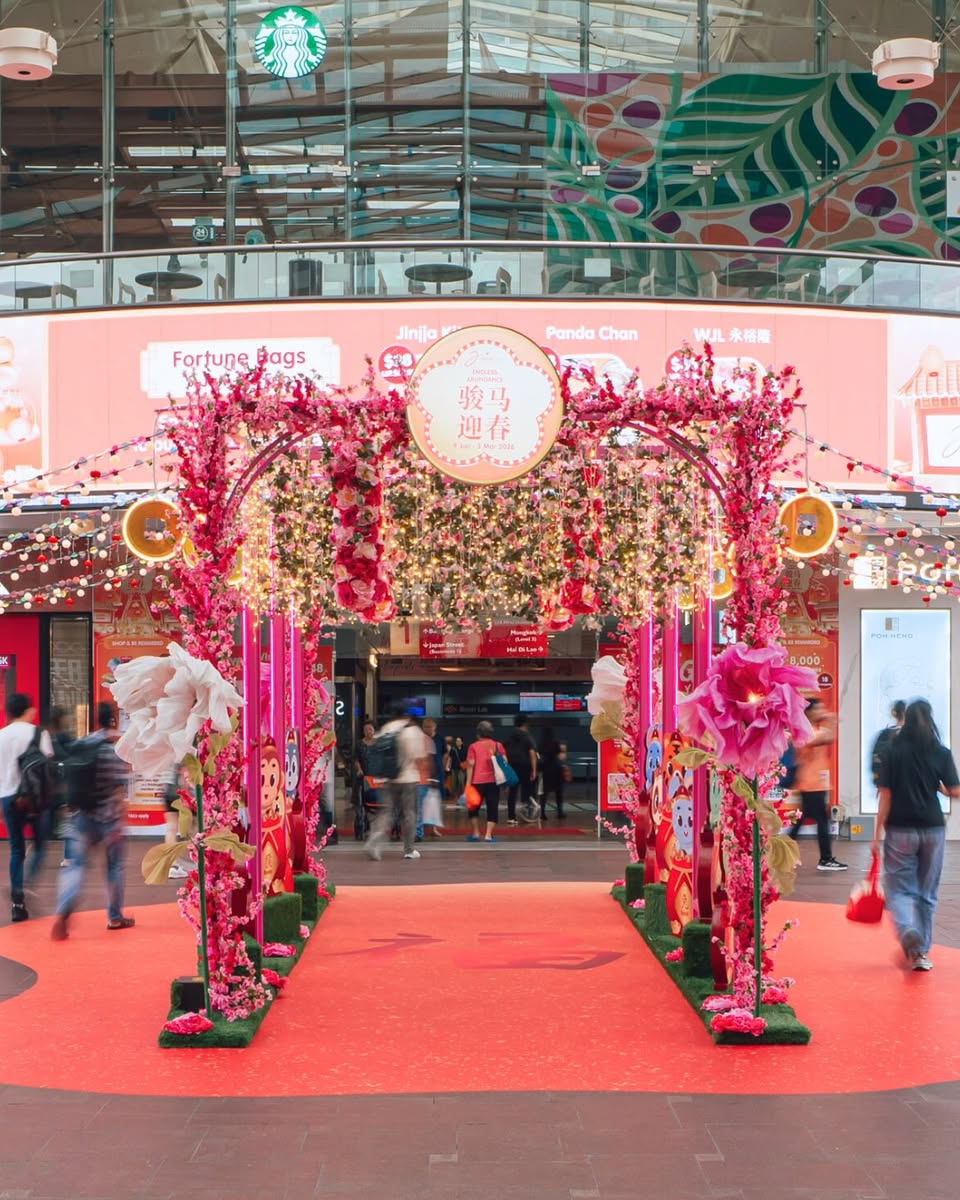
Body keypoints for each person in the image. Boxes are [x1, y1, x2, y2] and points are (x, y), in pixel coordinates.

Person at [873, 699, 960, 971]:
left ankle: (908, 930)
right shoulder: (940, 752)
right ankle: (921, 952)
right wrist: (943, 790)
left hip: (899, 828)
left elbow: (885, 795)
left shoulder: (892, 752)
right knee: (927, 894)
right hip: (932, 828)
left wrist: (876, 835)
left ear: (906, 719)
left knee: (898, 889)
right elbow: (955, 790)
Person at [51, 701, 134, 940]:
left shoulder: (83, 744)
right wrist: (120, 818)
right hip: (108, 817)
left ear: (96, 720)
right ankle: (115, 917)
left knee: (75, 865)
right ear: (114, 719)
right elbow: (118, 785)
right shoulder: (113, 748)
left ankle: (64, 907)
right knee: (114, 867)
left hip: (80, 816)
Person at [0, 693, 53, 923]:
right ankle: (28, 883)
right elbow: (48, 764)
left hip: (8, 797)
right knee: (40, 845)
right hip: (34, 799)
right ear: (27, 710)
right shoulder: (39, 733)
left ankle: (17, 904)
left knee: (16, 850)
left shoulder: (1, 736)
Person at [786, 697, 845, 871]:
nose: (822, 712)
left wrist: (829, 720)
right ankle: (825, 859)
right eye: (819, 709)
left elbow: (827, 737)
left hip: (815, 783)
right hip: (810, 784)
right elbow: (826, 738)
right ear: (809, 712)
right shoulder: (805, 732)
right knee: (820, 820)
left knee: (804, 820)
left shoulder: (812, 729)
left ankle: (782, 854)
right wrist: (831, 720)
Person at [365, 706, 430, 861]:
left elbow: (374, 746)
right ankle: (409, 850)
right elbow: (420, 759)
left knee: (387, 812)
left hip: (388, 778)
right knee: (409, 814)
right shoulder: (414, 732)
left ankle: (376, 836)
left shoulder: (388, 728)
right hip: (408, 778)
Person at [465, 720, 506, 843]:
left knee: (473, 808)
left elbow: (470, 765)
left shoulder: (473, 746)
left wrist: (468, 783)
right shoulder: (498, 745)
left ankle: (476, 833)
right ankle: (488, 835)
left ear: (478, 733)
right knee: (492, 807)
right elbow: (504, 762)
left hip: (477, 782)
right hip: (493, 781)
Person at [505, 714, 539, 826]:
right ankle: (527, 813)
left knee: (512, 792)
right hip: (525, 767)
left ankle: (511, 817)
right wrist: (534, 770)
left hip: (512, 767)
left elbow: (504, 752)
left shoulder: (509, 736)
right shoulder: (527, 736)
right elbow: (532, 753)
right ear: (525, 723)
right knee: (527, 790)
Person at [419, 717, 445, 839]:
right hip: (423, 774)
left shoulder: (440, 739)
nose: (427, 729)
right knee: (422, 802)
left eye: (429, 726)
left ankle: (434, 828)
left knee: (435, 801)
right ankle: (422, 829)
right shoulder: (420, 739)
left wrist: (443, 767)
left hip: (437, 773)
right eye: (425, 726)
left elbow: (445, 754)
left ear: (434, 727)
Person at [871, 700, 905, 788]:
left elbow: (876, 759)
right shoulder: (913, 735)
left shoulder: (884, 734)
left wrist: (878, 781)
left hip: (887, 783)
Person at [539, 727, 567, 823]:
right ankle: (560, 812)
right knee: (558, 792)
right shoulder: (555, 743)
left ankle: (542, 813)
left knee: (544, 793)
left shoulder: (541, 743)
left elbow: (539, 754)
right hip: (556, 769)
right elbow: (560, 755)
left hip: (546, 769)